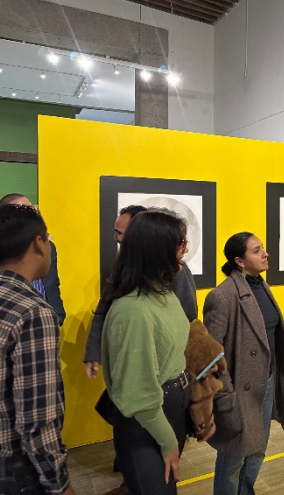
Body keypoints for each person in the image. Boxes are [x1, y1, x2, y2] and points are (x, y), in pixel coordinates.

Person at [98, 209, 191, 495]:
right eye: (180, 243)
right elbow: (137, 393)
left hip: (169, 411)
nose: (185, 250)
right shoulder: (132, 310)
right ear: (158, 249)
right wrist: (167, 440)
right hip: (146, 420)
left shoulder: (163, 293)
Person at [0, 204, 76, 495]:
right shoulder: (32, 311)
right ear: (39, 244)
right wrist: (61, 485)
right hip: (12, 471)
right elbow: (37, 424)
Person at [204, 232, 284, 495]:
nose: (265, 254)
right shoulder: (222, 296)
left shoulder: (261, 286)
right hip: (239, 390)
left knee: (257, 449)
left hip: (265, 382)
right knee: (233, 456)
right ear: (239, 261)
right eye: (256, 250)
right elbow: (212, 354)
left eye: (262, 248)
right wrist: (225, 394)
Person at [84, 204, 198, 379]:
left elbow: (188, 316)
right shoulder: (125, 266)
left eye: (120, 233)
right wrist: (94, 350)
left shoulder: (176, 270)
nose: (115, 238)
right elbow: (106, 303)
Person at [0, 193, 66, 324]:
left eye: (32, 211)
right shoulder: (0, 250)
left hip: (48, 318)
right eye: (23, 213)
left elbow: (52, 283)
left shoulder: (47, 246)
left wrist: (57, 314)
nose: (31, 217)